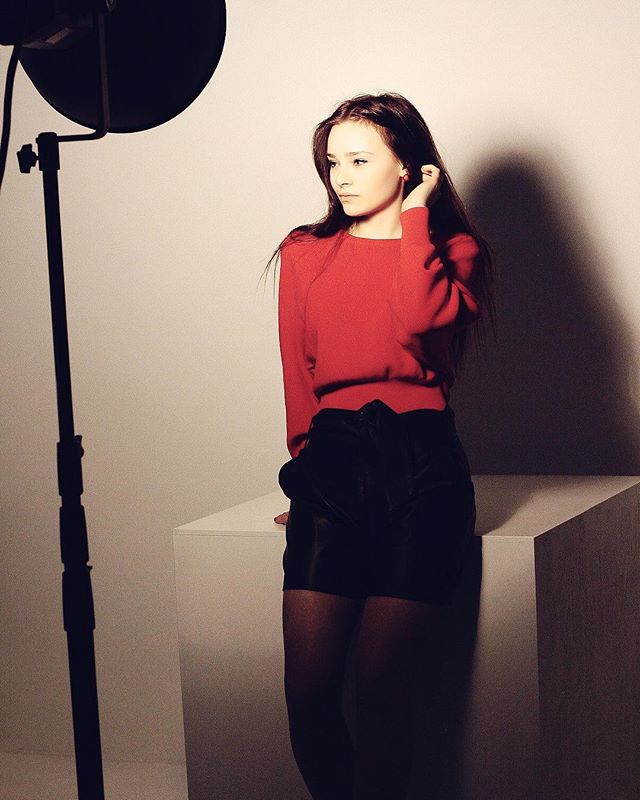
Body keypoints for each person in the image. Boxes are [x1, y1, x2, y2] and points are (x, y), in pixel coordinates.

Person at [260, 92, 496, 800]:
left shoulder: (453, 251)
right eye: (333, 162)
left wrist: (417, 214)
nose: (341, 177)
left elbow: (421, 317)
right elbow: (298, 370)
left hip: (422, 467)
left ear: (408, 166)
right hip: (333, 462)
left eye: (360, 160)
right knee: (308, 695)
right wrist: (306, 477)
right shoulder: (305, 252)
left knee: (383, 694)